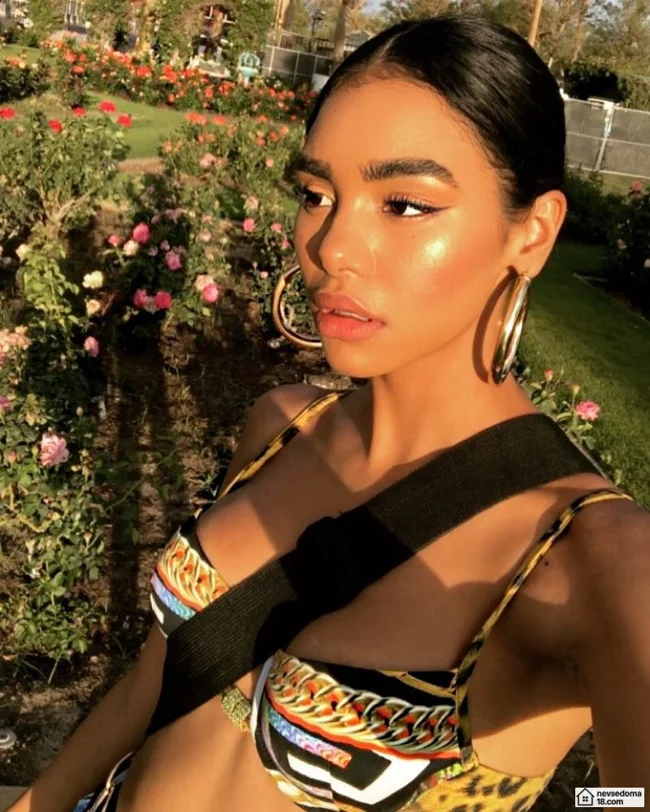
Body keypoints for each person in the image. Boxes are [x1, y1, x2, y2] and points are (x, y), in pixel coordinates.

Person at [11, 14, 650, 812]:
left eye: (405, 205)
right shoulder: (281, 428)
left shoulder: (593, 562)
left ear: (534, 232)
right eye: (315, 195)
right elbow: (161, 677)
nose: (331, 247)